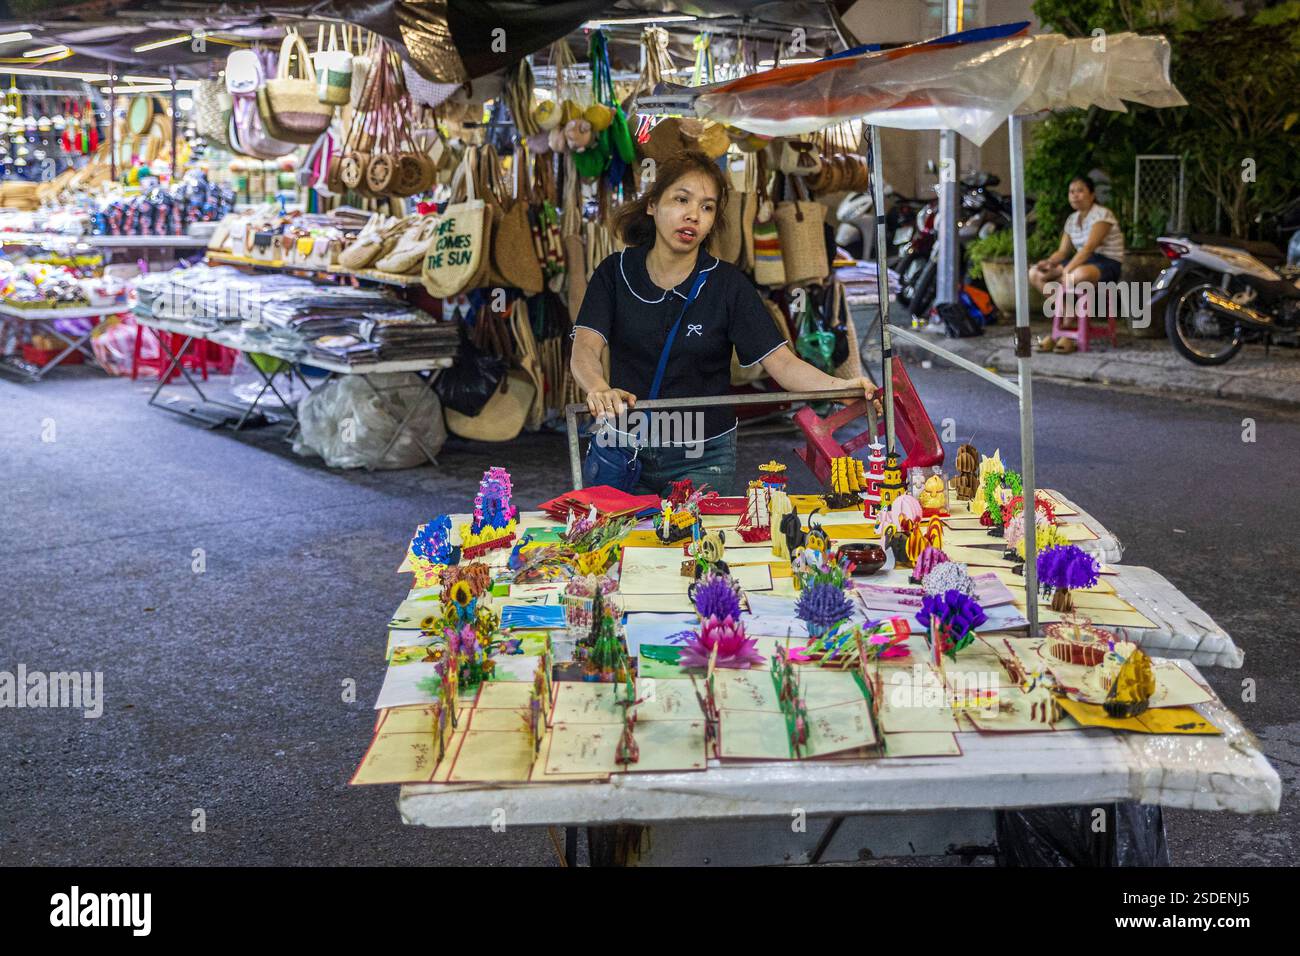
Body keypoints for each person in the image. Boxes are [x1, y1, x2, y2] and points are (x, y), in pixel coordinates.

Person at [570, 150, 872, 497]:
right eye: (681, 200)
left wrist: (841, 387)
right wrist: (597, 387)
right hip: (620, 447)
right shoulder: (614, 273)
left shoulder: (728, 286)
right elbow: (585, 349)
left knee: (694, 548)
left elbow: (783, 364)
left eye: (707, 207)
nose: (693, 215)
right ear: (652, 204)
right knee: (613, 546)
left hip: (702, 457)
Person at [1028, 175, 1125, 353]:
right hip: (1081, 261)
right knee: (1035, 273)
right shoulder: (1072, 219)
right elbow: (1063, 252)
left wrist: (1067, 270)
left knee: (1077, 275)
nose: (1075, 195)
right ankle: (1068, 311)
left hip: (1106, 263)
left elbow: (1088, 248)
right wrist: (1048, 262)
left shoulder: (1102, 215)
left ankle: (1065, 330)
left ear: (1092, 194)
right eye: (1072, 192)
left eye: (1080, 191)